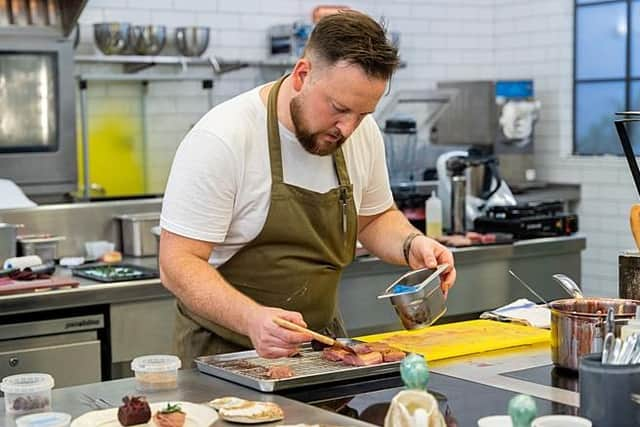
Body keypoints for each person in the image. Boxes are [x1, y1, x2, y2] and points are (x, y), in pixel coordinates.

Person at [159, 10, 457, 365]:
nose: (347, 128)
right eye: (339, 108)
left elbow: (374, 219)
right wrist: (252, 318)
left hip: (321, 353)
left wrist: (413, 244)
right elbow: (177, 262)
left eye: (362, 114)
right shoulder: (223, 137)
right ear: (302, 74)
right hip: (226, 356)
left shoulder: (361, 133)